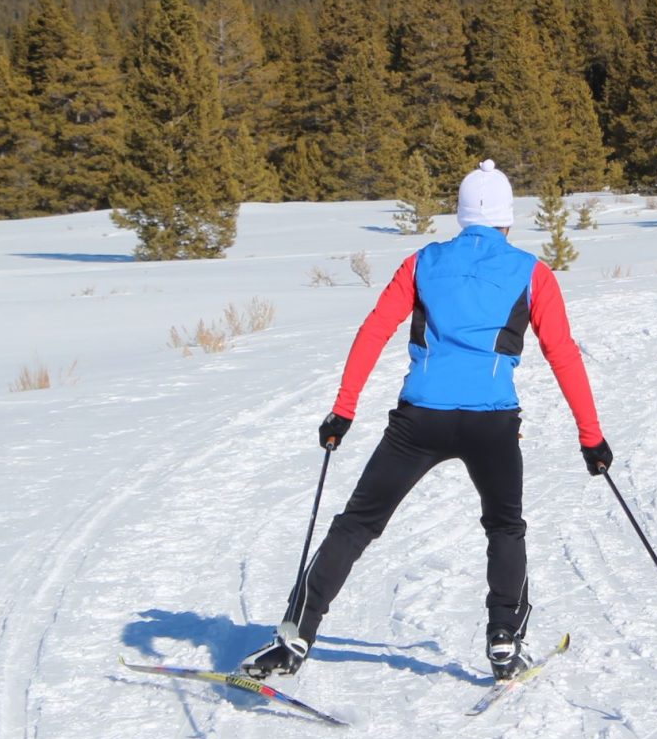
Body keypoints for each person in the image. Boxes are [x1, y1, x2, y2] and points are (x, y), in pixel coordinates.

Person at [241, 159, 612, 683]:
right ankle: (504, 640)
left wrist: (343, 409)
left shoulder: (421, 263)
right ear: (507, 218)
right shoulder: (532, 272)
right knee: (505, 527)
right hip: (492, 423)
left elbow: (374, 330)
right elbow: (563, 354)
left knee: (356, 524)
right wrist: (591, 438)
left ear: (460, 215)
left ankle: (295, 635)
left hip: (420, 420)